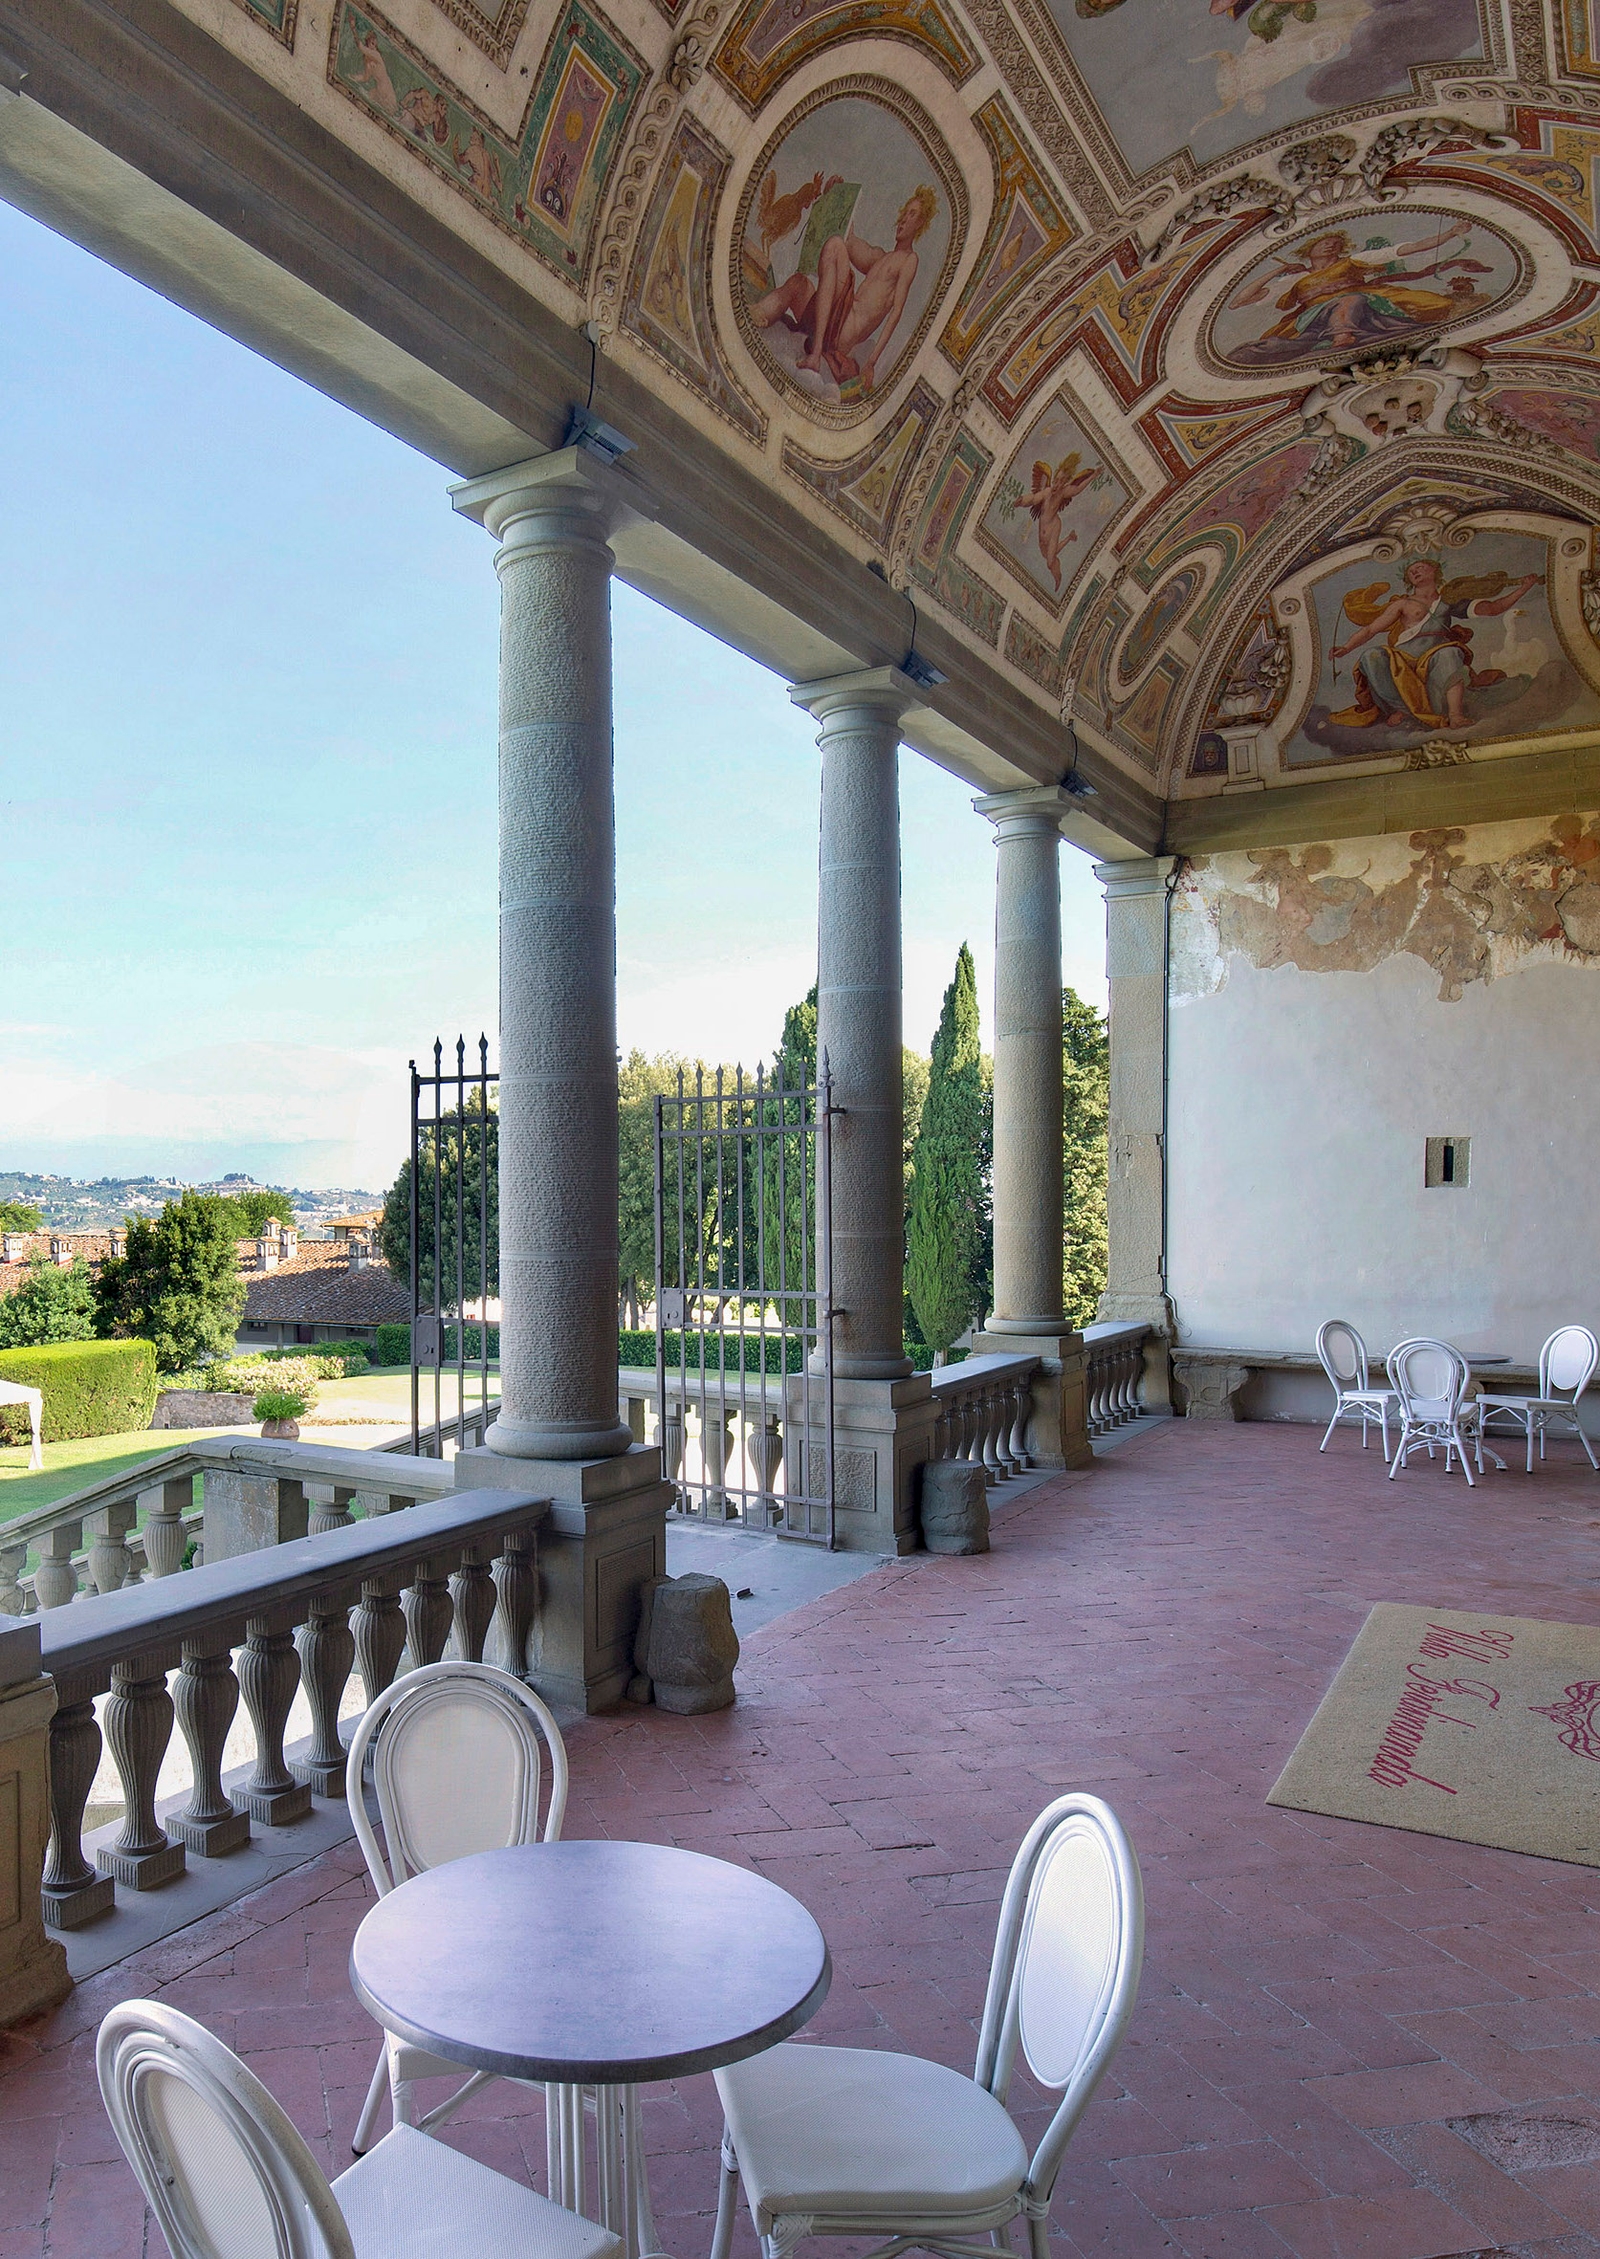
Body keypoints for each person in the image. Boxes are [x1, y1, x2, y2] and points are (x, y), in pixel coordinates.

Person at [753, 184, 937, 391]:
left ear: (920, 223)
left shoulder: (909, 260)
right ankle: (757, 315)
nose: (903, 219)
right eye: (904, 212)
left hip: (843, 334)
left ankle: (816, 355)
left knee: (835, 246)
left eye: (912, 214)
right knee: (798, 283)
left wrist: (871, 362)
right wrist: (835, 194)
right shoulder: (879, 257)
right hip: (832, 321)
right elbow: (848, 237)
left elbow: (897, 312)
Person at [1330, 557, 1540, 730]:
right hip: (1403, 659)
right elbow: (1370, 629)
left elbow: (1492, 608)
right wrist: (1347, 647)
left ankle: (1455, 716)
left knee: (1450, 653)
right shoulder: (1403, 604)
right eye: (1411, 571)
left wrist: (1523, 589)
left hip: (1434, 657)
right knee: (1372, 656)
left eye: (1421, 567)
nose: (1415, 571)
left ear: (1435, 571)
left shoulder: (1448, 601)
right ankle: (1403, 709)